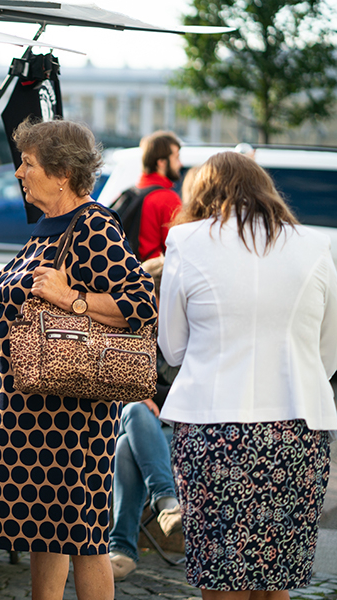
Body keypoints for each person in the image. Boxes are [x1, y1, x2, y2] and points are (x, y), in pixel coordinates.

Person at [0, 118, 158, 600]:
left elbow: (141, 303)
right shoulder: (48, 224)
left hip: (70, 417)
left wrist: (71, 298)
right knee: (49, 531)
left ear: (62, 173)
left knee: (84, 538)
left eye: (28, 163)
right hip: (33, 412)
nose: (18, 172)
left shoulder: (94, 223)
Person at [159, 151, 337, 599]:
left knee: (221, 577)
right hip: (296, 428)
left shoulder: (186, 241)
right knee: (277, 578)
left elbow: (173, 346)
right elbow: (328, 351)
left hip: (214, 428)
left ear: (202, 193)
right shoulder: (317, 245)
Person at [107, 167, 201, 580]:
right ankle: (167, 503)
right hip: (150, 427)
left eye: (157, 297)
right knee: (132, 416)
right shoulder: (134, 330)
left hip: (180, 430)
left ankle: (123, 545)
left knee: (129, 438)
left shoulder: (190, 332)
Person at [135, 131, 183, 261]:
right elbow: (177, 248)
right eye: (176, 158)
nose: (180, 164)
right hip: (157, 275)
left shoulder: (133, 192)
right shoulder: (167, 199)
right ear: (161, 162)